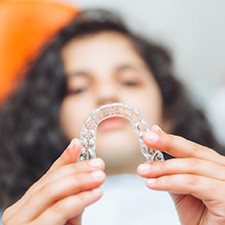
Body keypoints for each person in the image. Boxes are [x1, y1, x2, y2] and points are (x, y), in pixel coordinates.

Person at [0, 9, 225, 225]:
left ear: (168, 112)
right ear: (50, 121)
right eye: (78, 88)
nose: (107, 94)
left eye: (129, 81)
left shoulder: (216, 203)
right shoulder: (18, 216)